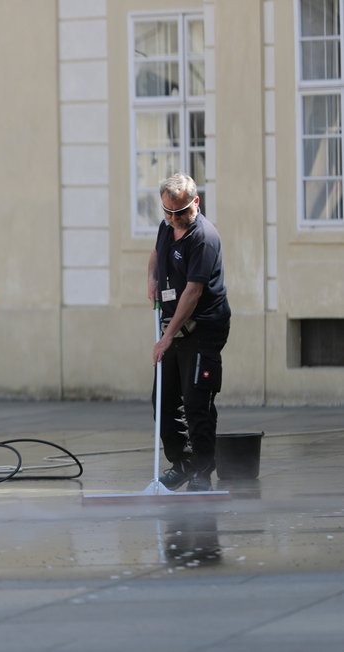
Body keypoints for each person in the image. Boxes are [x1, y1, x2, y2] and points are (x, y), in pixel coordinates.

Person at [148, 172, 230, 492]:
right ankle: (181, 463)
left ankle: (202, 471)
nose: (174, 219)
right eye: (167, 212)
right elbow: (157, 253)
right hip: (173, 326)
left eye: (180, 212)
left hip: (203, 328)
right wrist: (152, 279)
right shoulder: (168, 227)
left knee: (197, 401)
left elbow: (193, 293)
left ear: (195, 202)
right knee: (163, 400)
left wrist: (166, 339)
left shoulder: (204, 237)